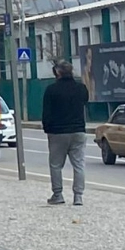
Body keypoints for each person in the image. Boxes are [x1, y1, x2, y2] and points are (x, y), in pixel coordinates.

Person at [41, 61, 90, 206]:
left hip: (57, 132)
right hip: (78, 130)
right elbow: (85, 102)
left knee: (56, 165)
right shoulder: (81, 88)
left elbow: (46, 112)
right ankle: (78, 196)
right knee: (79, 164)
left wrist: (47, 128)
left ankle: (58, 194)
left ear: (58, 72)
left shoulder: (51, 90)